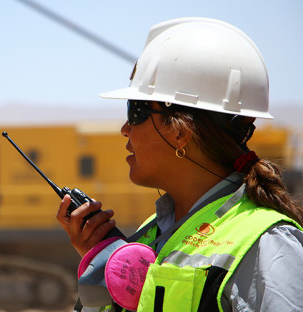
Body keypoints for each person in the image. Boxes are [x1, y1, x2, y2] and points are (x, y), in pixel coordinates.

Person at [56, 17, 303, 312]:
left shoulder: (269, 247)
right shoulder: (152, 233)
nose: (125, 128)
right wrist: (103, 264)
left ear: (179, 132)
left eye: (135, 111)